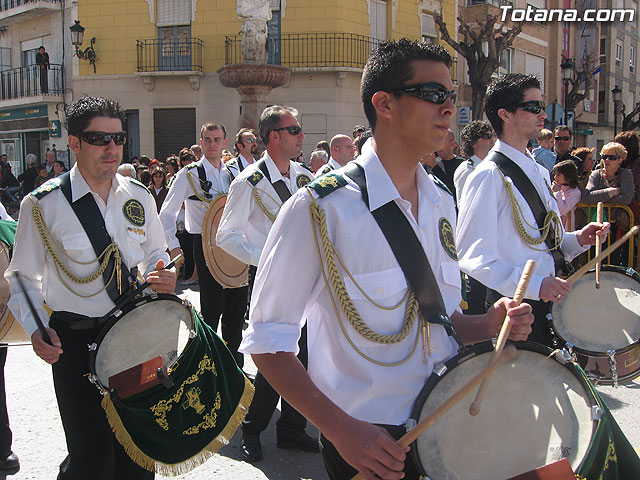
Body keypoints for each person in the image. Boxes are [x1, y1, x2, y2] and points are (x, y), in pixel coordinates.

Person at [238, 40, 534, 480]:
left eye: (451, 97)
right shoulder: (319, 209)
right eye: (434, 95)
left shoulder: (439, 201)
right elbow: (267, 343)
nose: (449, 109)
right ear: (385, 104)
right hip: (371, 442)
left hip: (448, 417)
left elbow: (438, 321)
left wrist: (487, 324)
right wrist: (340, 430)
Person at [5, 95, 175, 479]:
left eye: (117, 139)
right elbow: (21, 276)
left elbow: (155, 252)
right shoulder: (43, 204)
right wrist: (36, 329)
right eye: (99, 139)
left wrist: (163, 273)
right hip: (76, 342)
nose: (111, 148)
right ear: (75, 143)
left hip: (136, 337)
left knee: (139, 452)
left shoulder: (139, 196)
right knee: (91, 459)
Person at [456, 73, 609, 348]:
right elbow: (471, 255)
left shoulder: (538, 170)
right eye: (533, 107)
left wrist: (579, 239)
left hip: (549, 300)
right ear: (506, 114)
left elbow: (545, 240)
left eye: (541, 106)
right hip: (516, 307)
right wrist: (535, 285)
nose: (542, 115)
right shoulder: (487, 176)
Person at [216, 105, 317, 463]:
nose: (301, 136)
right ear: (273, 137)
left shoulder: (304, 177)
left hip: (308, 279)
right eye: (294, 130)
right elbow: (226, 236)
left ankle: (292, 429)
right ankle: (253, 428)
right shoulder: (249, 181)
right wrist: (269, 259)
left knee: (304, 357)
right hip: (272, 278)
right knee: (275, 357)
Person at [159, 123, 248, 369]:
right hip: (205, 244)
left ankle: (234, 367)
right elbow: (166, 213)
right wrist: (174, 247)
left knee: (237, 307)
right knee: (211, 310)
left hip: (233, 245)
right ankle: (209, 366)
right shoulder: (188, 175)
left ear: (225, 143)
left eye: (216, 140)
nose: (212, 144)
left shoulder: (233, 173)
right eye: (207, 140)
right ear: (201, 143)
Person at [582, 142, 635, 248]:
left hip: (617, 225)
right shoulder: (596, 174)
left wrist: (599, 198)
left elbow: (626, 198)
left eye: (612, 157)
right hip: (597, 225)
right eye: (604, 156)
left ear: (620, 160)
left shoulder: (625, 174)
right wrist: (611, 192)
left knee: (614, 258)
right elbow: (586, 197)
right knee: (594, 258)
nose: (607, 160)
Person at [453, 120, 495, 205]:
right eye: (487, 136)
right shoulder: (467, 170)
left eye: (492, 135)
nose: (492, 139)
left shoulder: (490, 166)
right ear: (473, 143)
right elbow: (464, 205)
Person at [552, 160, 581, 231]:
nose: (555, 177)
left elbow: (563, 210)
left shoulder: (575, 192)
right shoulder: (556, 187)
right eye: (555, 175)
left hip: (567, 229)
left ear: (568, 176)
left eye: (558, 175)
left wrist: (557, 192)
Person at [434, 129, 464, 198]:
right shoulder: (429, 163)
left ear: (453, 144)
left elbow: (453, 191)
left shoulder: (461, 165)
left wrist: (434, 167)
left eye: (443, 143)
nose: (439, 147)